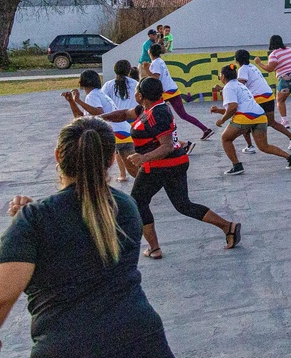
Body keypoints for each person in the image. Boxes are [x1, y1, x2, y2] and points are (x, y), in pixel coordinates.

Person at [0, 117, 227, 358]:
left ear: (57, 156)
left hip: (68, 353)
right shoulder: (127, 206)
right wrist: (32, 217)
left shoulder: (35, 221)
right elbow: (84, 230)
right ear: (110, 159)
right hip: (135, 336)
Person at [104, 78, 240, 259]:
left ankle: (154, 248)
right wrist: (98, 118)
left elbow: (166, 146)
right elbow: (124, 114)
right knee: (183, 205)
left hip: (161, 165)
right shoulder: (148, 109)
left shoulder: (158, 114)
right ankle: (227, 227)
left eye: (137, 91)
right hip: (173, 164)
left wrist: (143, 158)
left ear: (141, 95)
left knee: (138, 202)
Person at [211, 64, 291, 176]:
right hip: (260, 116)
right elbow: (237, 107)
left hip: (245, 118)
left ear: (223, 76)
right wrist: (218, 111)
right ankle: (290, 158)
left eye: (220, 75)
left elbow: (233, 107)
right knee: (264, 146)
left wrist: (222, 120)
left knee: (225, 138)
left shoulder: (228, 87)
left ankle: (237, 165)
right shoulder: (240, 85)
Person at [234, 49, 291, 149]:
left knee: (245, 121)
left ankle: (250, 146)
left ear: (237, 60)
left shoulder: (242, 69)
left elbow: (240, 86)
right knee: (271, 122)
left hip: (258, 98)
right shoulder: (253, 67)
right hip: (268, 96)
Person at [146, 44, 213, 140]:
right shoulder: (160, 61)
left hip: (165, 92)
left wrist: (146, 70)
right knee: (183, 115)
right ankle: (205, 129)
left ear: (150, 53)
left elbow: (155, 77)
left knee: (156, 114)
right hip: (173, 89)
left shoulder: (155, 63)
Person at [102, 61, 141, 182]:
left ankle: (122, 174)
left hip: (115, 125)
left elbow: (103, 102)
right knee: (135, 160)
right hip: (133, 125)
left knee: (118, 152)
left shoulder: (108, 85)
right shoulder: (135, 84)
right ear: (129, 70)